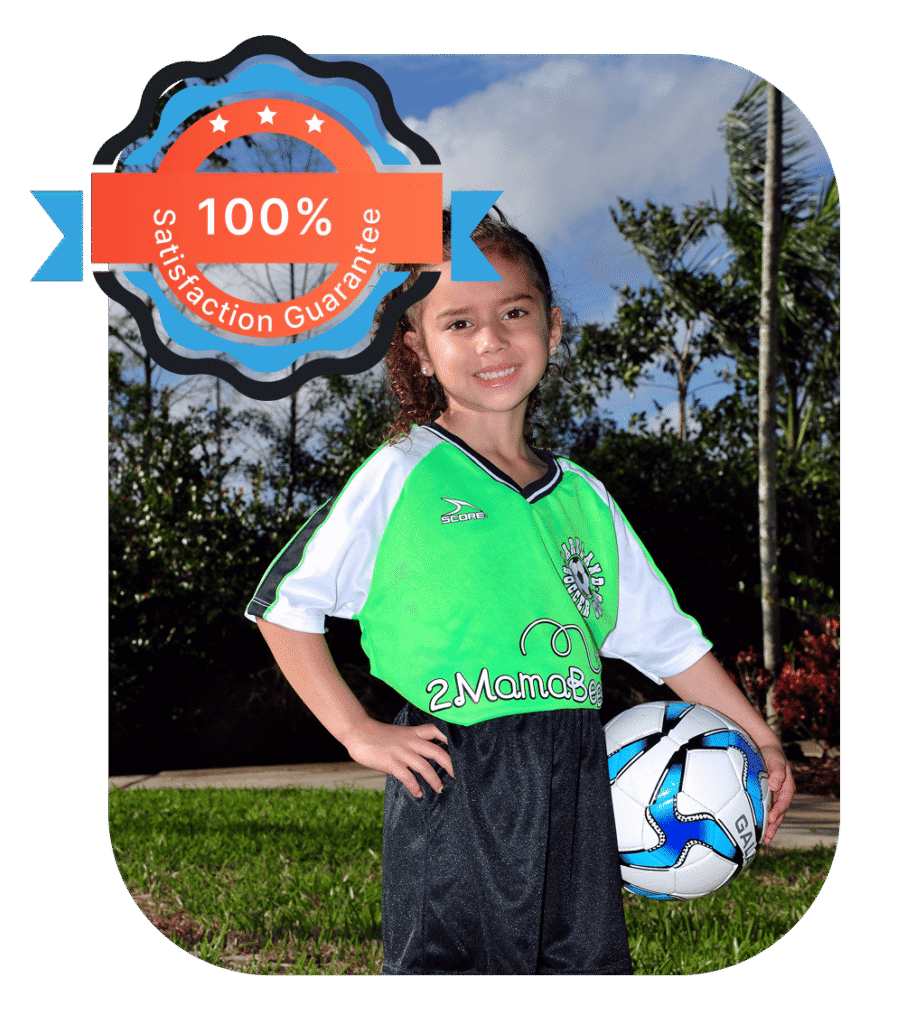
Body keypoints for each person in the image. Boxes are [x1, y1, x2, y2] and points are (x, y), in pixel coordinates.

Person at [245, 210, 795, 976]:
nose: (491, 340)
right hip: (457, 775)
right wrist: (358, 731)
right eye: (459, 322)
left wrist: (759, 739)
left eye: (513, 313)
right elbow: (283, 607)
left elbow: (670, 643)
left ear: (553, 326)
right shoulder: (401, 472)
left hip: (576, 776)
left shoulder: (585, 502)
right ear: (418, 348)